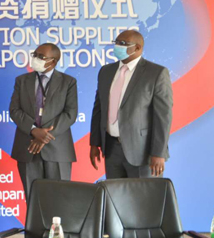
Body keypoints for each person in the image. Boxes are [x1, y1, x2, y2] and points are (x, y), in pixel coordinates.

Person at [90, 30, 173, 178]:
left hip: (142, 152)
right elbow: (99, 109)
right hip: (111, 149)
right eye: (116, 42)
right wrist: (94, 143)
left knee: (143, 193)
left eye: (123, 43)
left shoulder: (156, 73)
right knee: (115, 192)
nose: (117, 46)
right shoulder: (106, 71)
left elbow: (163, 117)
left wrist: (158, 153)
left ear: (137, 48)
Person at [9, 43, 78, 201]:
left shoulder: (68, 82)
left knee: (59, 200)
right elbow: (14, 110)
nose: (35, 59)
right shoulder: (21, 80)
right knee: (33, 201)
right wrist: (34, 130)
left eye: (41, 57)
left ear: (53, 61)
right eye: (35, 55)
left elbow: (70, 113)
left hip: (57, 149)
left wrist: (45, 136)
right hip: (28, 148)